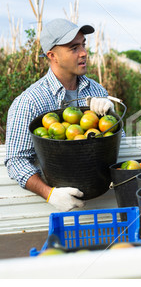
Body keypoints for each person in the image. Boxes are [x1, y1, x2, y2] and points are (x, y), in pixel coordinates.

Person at [5, 18, 115, 211]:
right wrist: (49, 193)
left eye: (83, 45)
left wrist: (112, 117)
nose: (83, 53)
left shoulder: (97, 91)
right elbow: (16, 160)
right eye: (74, 48)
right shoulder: (30, 102)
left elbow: (113, 142)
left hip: (101, 199)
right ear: (52, 55)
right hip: (56, 210)